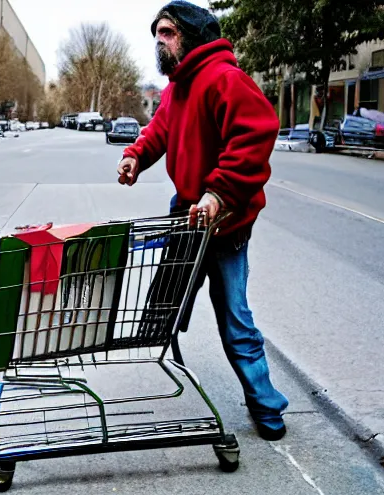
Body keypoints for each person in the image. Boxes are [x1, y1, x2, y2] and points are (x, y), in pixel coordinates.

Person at [116, 0, 288, 441]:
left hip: (225, 222)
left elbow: (256, 134)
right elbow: (160, 129)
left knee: (234, 320)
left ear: (191, 35)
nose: (160, 40)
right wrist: (137, 156)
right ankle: (166, 376)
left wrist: (218, 193)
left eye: (168, 32)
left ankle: (267, 408)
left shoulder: (225, 79)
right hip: (188, 216)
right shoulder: (176, 88)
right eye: (157, 33)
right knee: (164, 306)